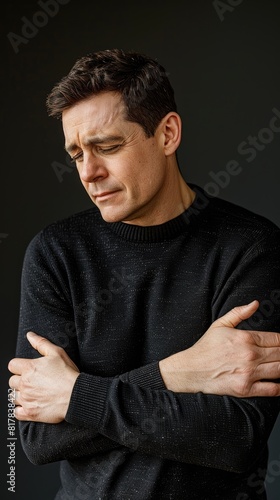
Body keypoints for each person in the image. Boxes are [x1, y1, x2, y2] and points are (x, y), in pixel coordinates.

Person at [8, 48, 280, 500]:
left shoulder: (250, 246)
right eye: (76, 154)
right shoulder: (56, 253)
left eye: (107, 147)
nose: (89, 173)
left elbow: (236, 438)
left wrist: (77, 396)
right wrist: (181, 372)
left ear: (167, 133)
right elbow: (39, 439)